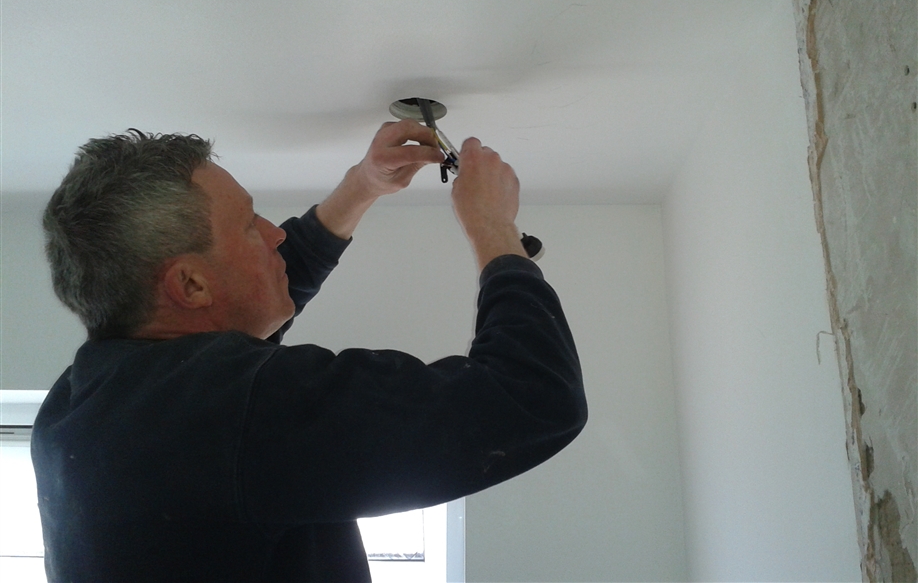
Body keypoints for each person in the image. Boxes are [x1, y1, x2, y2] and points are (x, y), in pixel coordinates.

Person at [32, 119, 588, 582]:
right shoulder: (229, 409)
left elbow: (249, 307)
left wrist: (361, 187)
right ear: (191, 285)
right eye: (249, 226)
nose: (274, 234)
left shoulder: (82, 404)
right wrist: (494, 230)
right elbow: (530, 395)